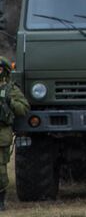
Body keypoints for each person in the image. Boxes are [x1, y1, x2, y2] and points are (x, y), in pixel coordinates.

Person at [0, 59, 28, 212]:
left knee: (1, 171)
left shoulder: (10, 89)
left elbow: (23, 108)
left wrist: (10, 102)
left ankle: (1, 201)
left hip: (2, 134)